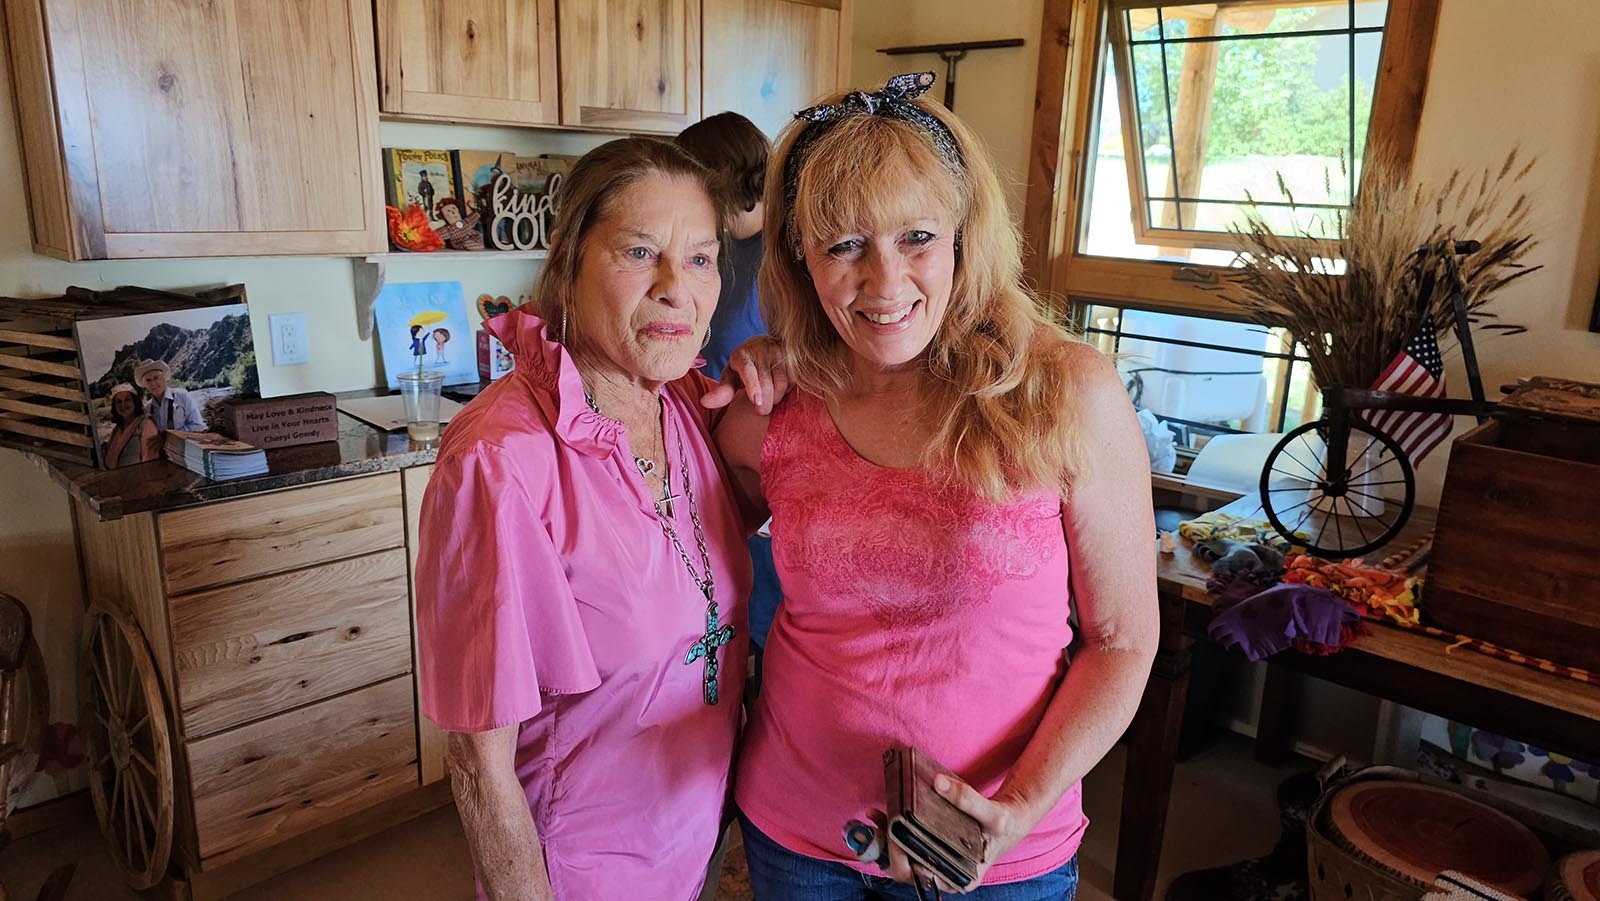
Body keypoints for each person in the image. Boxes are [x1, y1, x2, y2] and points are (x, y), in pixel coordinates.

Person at [717, 73, 1160, 899]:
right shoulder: (777, 407)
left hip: (990, 849)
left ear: (964, 234)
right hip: (795, 833)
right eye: (843, 245)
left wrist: (1021, 808)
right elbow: (683, 547)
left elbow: (1125, 644)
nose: (883, 283)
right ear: (798, 259)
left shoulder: (1067, 394)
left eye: (916, 235)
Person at [414, 137, 784, 900]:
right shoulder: (502, 463)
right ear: (569, 264)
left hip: (693, 841)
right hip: (582, 870)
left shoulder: (681, 404)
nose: (677, 288)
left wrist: (779, 367)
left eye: (703, 259)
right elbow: (480, 763)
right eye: (640, 252)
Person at [675, 111, 784, 691]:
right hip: (706, 441)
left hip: (763, 452)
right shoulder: (710, 248)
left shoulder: (787, 252)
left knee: (769, 607)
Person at [134, 359, 206, 432]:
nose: (153, 383)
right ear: (145, 385)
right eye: (148, 380)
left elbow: (199, 426)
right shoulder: (147, 409)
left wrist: (175, 435)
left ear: (163, 378)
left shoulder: (182, 396)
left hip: (186, 442)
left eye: (156, 378)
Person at [102, 383, 159, 468]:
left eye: (127, 400)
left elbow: (151, 461)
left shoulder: (146, 425)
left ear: (135, 402)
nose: (123, 405)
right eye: (119, 402)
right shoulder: (117, 429)